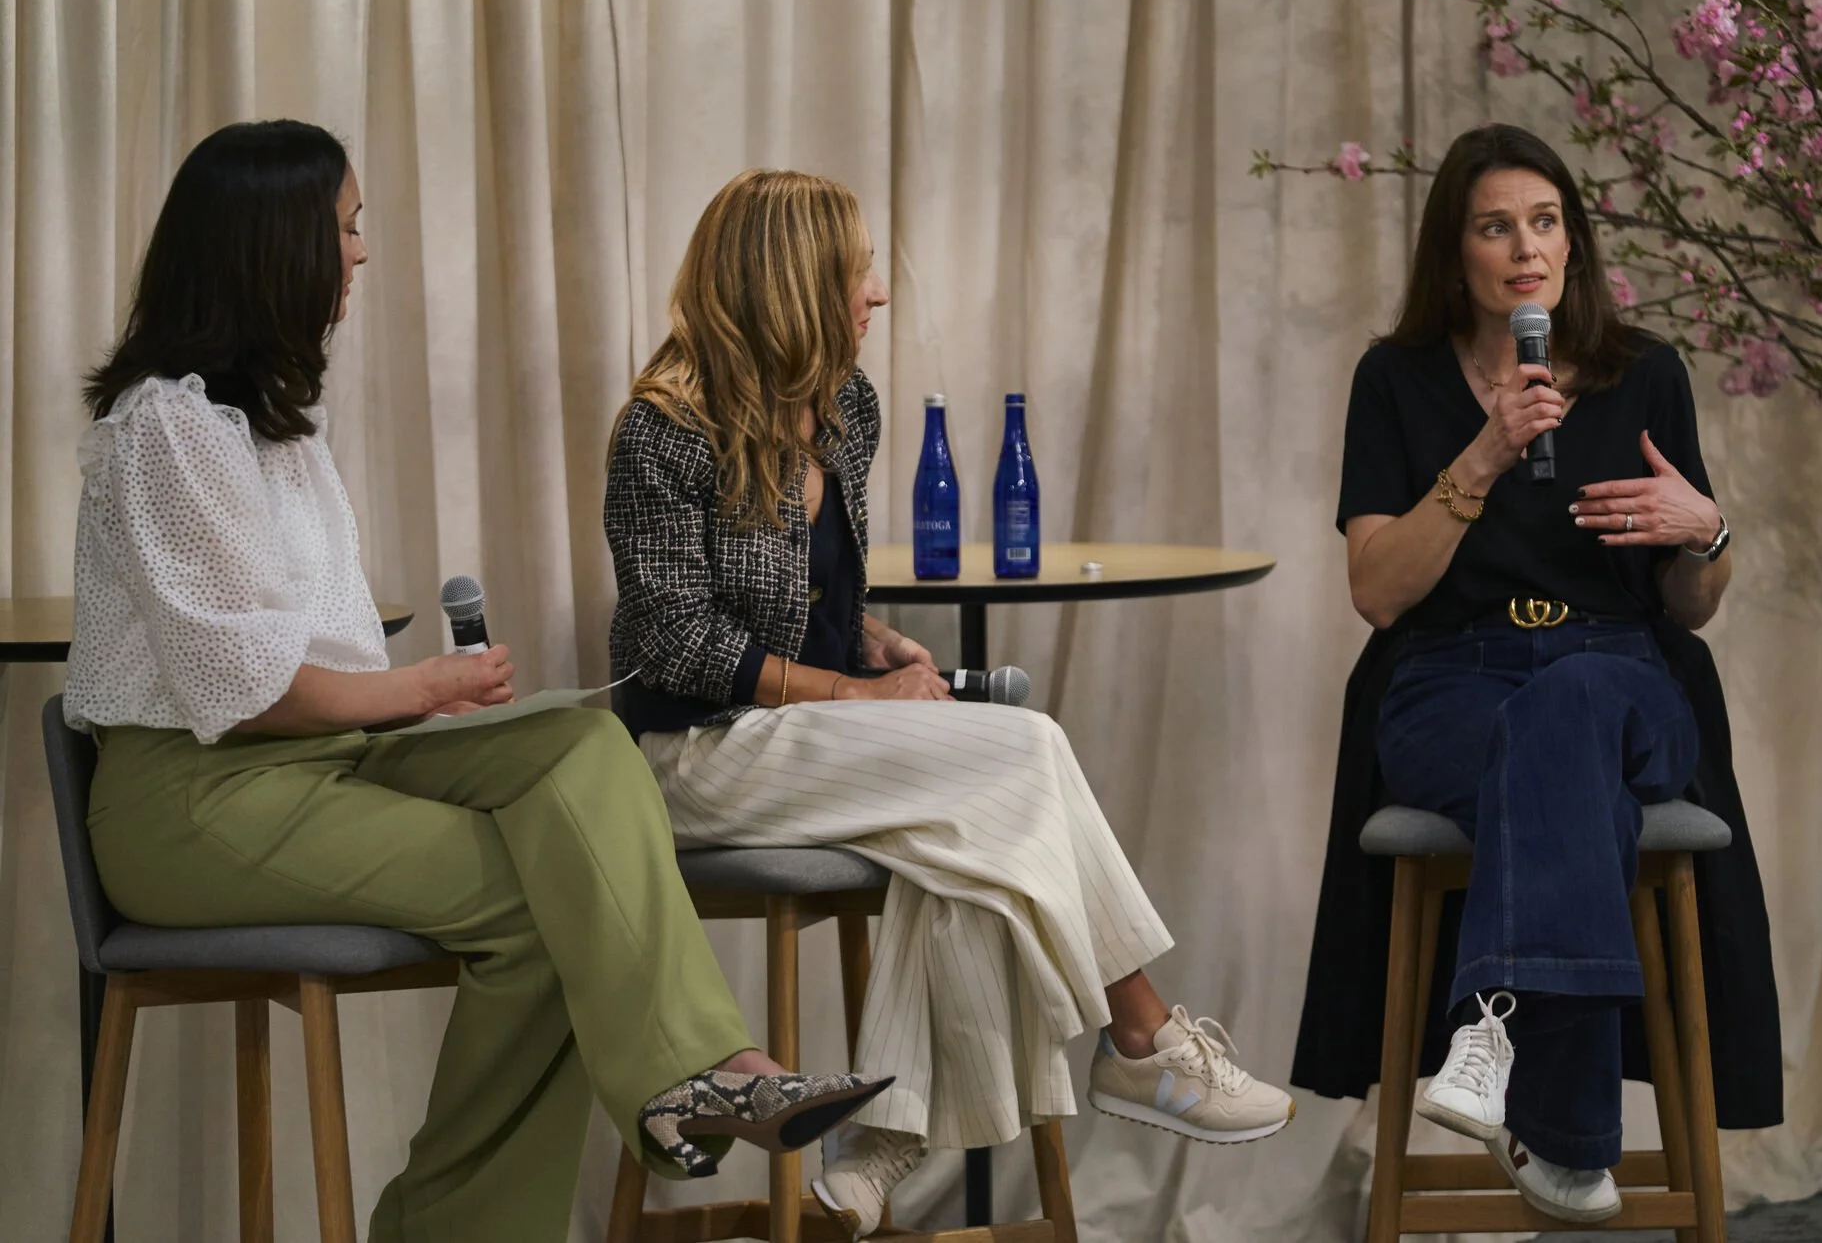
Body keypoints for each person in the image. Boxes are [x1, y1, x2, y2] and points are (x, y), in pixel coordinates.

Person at [64, 121, 887, 1243]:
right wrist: (426, 689)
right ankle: (673, 1086)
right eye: (346, 227)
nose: (359, 253)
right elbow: (244, 690)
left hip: (321, 766)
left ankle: (699, 1071)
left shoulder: (273, 432)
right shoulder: (164, 426)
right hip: (196, 802)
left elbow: (312, 673)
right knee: (561, 894)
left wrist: (424, 696)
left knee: (586, 745)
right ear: (272, 243)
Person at [603, 168, 1296, 1239]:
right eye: (857, 269)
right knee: (1021, 751)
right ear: (788, 282)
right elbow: (677, 642)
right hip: (687, 753)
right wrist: (861, 693)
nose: (875, 292)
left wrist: (873, 640)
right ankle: (1139, 1035)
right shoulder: (663, 429)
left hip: (804, 734)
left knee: (969, 837)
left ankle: (880, 1141)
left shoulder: (846, 412)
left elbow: (816, 596)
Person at [1315, 122, 1750, 1223]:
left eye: (1545, 221)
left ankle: (1489, 1025)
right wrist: (1482, 453)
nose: (1525, 247)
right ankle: (1564, 1136)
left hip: (1618, 671)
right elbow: (1376, 592)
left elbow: (1686, 606)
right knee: (1563, 774)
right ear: (1453, 253)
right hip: (1449, 679)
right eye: (1495, 226)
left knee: (1569, 705)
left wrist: (1703, 533)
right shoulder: (1396, 381)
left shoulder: (1642, 373)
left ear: (1573, 241)